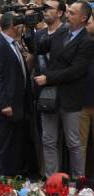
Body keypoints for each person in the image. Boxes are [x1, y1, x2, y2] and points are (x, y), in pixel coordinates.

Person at [35, 1, 94, 177]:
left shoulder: (87, 41)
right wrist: (32, 31)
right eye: (67, 12)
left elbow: (76, 70)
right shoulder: (60, 33)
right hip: (50, 96)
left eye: (72, 13)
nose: (67, 16)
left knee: (74, 143)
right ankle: (51, 179)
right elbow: (39, 49)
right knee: (48, 140)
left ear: (83, 18)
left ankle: (77, 181)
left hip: (71, 99)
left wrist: (49, 77)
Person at [0, 12, 31, 176]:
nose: (22, 27)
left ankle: (8, 179)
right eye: (20, 25)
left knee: (12, 146)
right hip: (4, 108)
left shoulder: (14, 44)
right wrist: (4, 104)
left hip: (17, 106)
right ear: (14, 26)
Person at [80, 14, 94, 172]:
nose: (86, 26)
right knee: (80, 146)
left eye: (89, 23)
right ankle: (80, 181)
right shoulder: (81, 43)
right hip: (82, 103)